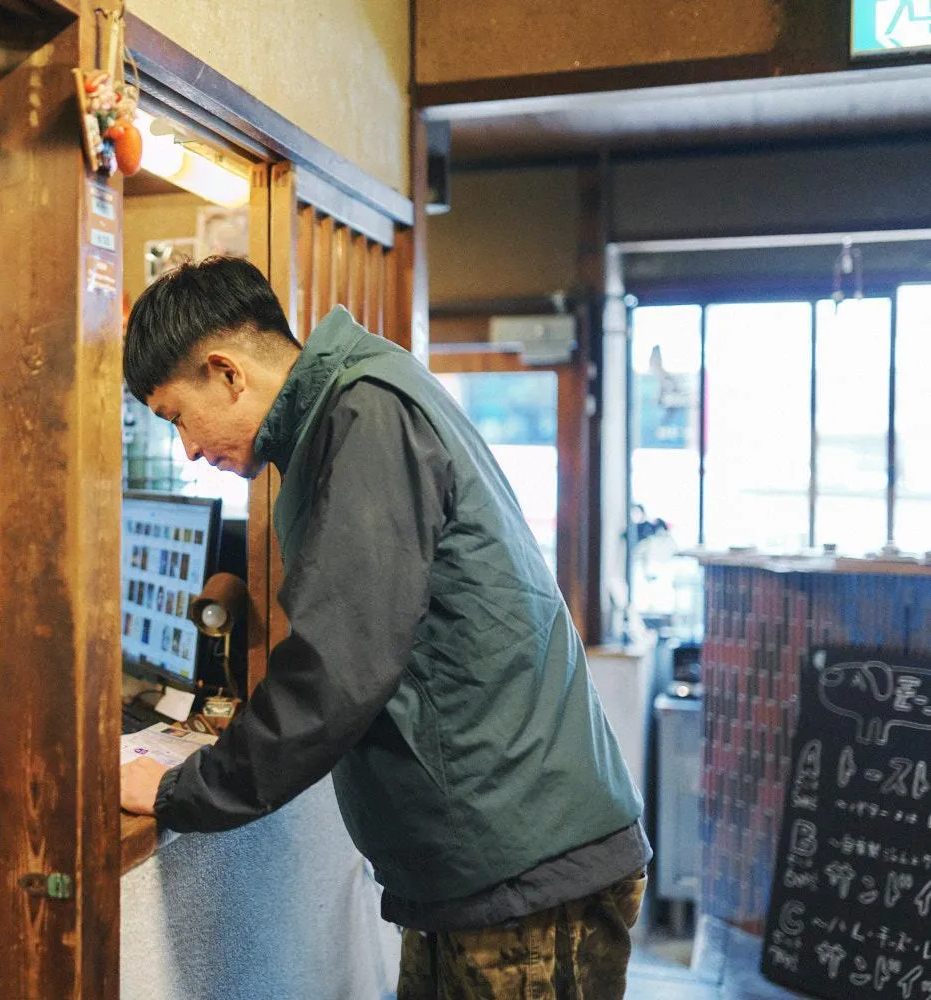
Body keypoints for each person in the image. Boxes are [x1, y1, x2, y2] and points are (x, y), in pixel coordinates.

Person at [117, 257, 649, 999]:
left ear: (227, 372)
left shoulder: (365, 414)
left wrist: (183, 791)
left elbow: (337, 666)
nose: (190, 449)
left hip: (521, 861)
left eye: (178, 416)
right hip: (474, 862)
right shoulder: (341, 413)